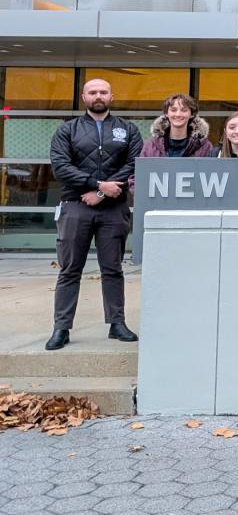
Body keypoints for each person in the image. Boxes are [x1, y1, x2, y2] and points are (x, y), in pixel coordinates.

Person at [45, 78, 143, 351]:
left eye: (103, 91)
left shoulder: (128, 129)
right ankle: (61, 328)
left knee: (112, 268)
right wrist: (97, 185)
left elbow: (134, 163)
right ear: (83, 96)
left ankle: (117, 323)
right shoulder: (67, 130)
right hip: (75, 206)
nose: (98, 96)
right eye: (92, 92)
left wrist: (102, 193)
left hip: (113, 208)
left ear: (112, 96)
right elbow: (61, 167)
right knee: (69, 270)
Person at [138, 93, 213, 160]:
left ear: (192, 114)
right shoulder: (150, 145)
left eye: (184, 110)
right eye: (173, 110)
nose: (178, 114)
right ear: (166, 113)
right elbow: (140, 172)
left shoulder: (204, 146)